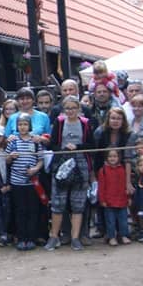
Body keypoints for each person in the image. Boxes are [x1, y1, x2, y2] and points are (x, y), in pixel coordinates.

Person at [43, 96, 95, 252]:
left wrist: (77, 147)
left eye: (73, 108)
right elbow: (52, 144)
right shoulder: (59, 122)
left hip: (80, 162)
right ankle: (54, 236)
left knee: (78, 202)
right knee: (58, 202)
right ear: (63, 109)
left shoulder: (85, 123)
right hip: (61, 162)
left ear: (78, 109)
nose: (71, 111)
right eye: (68, 108)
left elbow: (91, 145)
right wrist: (63, 148)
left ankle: (75, 238)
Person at [6, 114, 45, 251]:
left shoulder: (35, 141)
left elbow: (41, 159)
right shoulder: (13, 141)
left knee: (32, 210)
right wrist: (10, 157)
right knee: (20, 210)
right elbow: (6, 160)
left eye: (25, 124)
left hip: (32, 182)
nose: (23, 127)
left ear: (30, 126)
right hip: (17, 182)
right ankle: (21, 238)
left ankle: (31, 238)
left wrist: (35, 169)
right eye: (20, 124)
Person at [98, 149, 131, 246]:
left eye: (115, 156)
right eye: (110, 156)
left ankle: (123, 235)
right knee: (110, 221)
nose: (112, 158)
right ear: (106, 157)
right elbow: (101, 187)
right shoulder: (103, 170)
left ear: (119, 157)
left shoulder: (122, 169)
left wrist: (128, 197)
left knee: (123, 221)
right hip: (109, 201)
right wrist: (102, 200)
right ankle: (111, 237)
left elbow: (125, 185)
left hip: (122, 199)